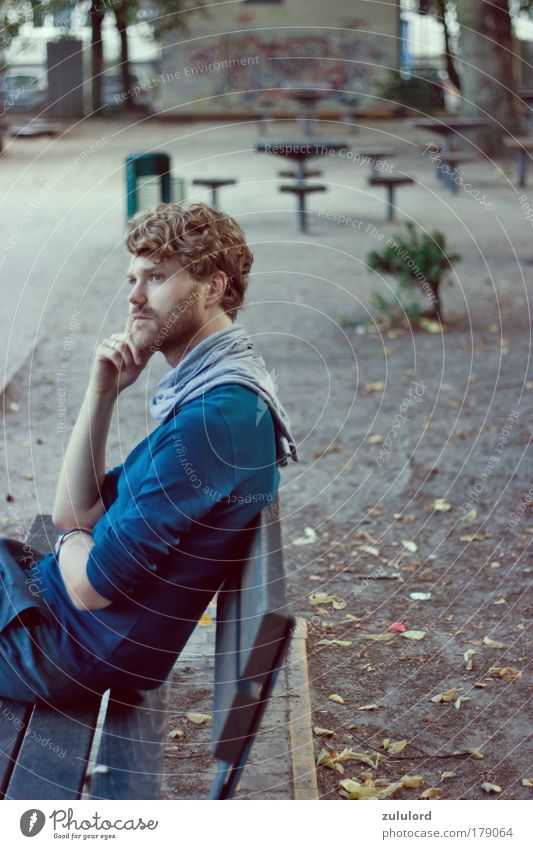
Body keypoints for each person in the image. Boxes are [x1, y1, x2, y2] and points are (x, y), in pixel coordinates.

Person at [0, 201, 298, 705]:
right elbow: (73, 512)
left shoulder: (212, 421)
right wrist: (104, 393)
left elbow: (90, 586)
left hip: (60, 649)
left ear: (212, 288)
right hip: (63, 623)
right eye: (132, 280)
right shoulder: (220, 395)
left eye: (156, 277)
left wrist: (74, 538)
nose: (134, 298)